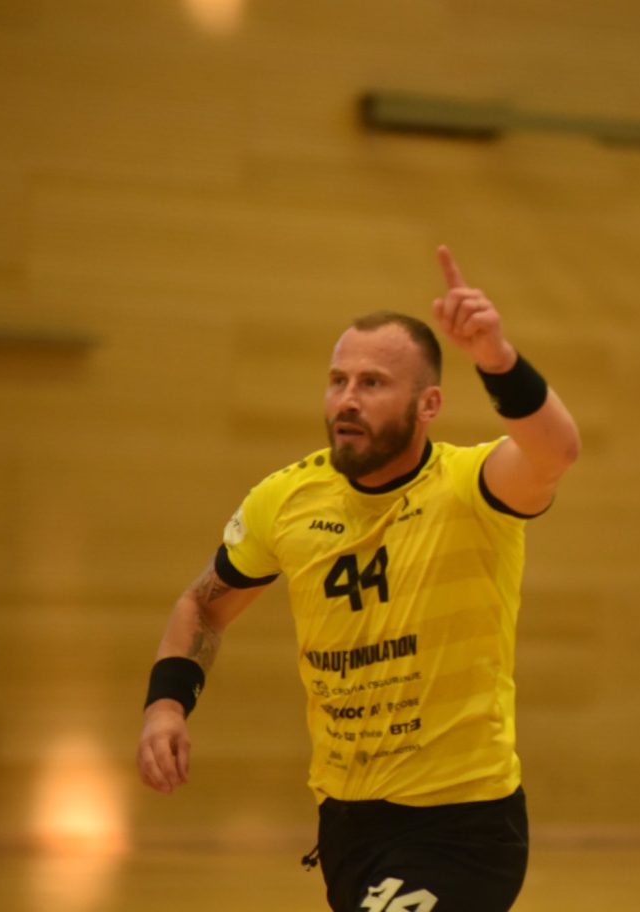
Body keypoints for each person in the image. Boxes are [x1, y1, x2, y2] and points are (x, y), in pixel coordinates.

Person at [135, 245, 581, 912]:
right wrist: (166, 706)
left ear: (428, 404)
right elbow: (203, 606)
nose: (347, 399)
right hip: (347, 825)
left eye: (372, 383)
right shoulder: (286, 499)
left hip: (461, 826)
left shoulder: (472, 487)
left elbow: (557, 449)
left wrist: (496, 358)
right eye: (338, 380)